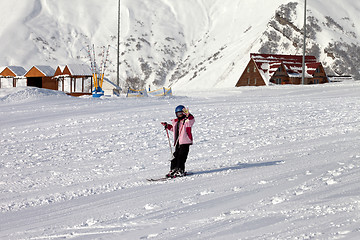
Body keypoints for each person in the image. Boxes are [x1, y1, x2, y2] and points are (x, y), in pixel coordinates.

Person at [161, 105, 195, 178]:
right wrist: (168, 126)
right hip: (177, 142)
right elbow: (175, 130)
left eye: (181, 113)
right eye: (178, 113)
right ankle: (173, 169)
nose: (179, 115)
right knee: (174, 156)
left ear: (184, 113)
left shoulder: (187, 121)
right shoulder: (176, 122)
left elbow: (192, 120)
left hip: (185, 142)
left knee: (181, 157)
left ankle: (180, 170)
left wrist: (188, 115)